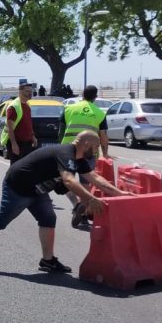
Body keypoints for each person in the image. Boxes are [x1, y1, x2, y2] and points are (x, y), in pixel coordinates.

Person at [0, 131, 128, 273]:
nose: (97, 151)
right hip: (18, 186)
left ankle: (47, 261)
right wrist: (90, 199)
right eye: (96, 146)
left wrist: (121, 194)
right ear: (86, 143)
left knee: (48, 219)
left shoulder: (79, 159)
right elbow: (69, 181)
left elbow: (96, 178)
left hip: (37, 189)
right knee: (1, 221)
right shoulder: (66, 153)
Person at [60, 85, 110, 229]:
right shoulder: (99, 113)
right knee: (86, 183)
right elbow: (103, 136)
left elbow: (60, 131)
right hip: (89, 152)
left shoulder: (69, 109)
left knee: (64, 181)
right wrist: (105, 152)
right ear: (95, 96)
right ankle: (83, 213)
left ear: (82, 94)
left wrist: (58, 146)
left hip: (68, 150)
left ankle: (76, 205)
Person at [3, 83, 37, 164]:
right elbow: (10, 128)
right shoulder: (14, 107)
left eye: (31, 91)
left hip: (27, 142)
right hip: (18, 142)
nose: (30, 93)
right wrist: (14, 144)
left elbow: (28, 123)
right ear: (20, 92)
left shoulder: (27, 105)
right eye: (27, 91)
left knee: (25, 168)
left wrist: (33, 136)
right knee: (15, 168)